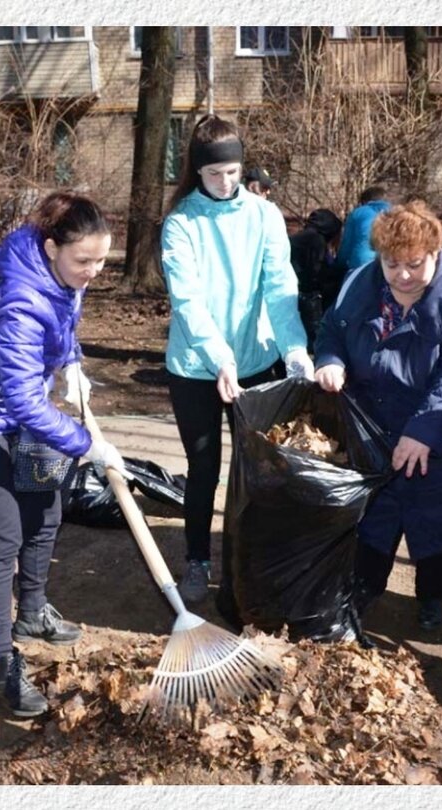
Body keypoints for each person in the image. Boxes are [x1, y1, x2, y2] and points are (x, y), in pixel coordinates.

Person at [0, 192, 129, 717]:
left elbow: (64, 324)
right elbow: (22, 399)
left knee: (45, 513)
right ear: (51, 248)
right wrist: (87, 443)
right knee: (3, 538)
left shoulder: (63, 278)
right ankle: (2, 663)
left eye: (101, 260)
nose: (92, 271)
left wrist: (71, 364)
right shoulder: (22, 297)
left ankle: (33, 611)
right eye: (83, 261)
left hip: (26, 411)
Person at [314, 201, 442, 631]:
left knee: (438, 518)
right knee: (376, 516)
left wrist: (424, 432)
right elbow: (333, 327)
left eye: (414, 264)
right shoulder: (359, 284)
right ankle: (364, 591)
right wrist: (329, 358)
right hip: (381, 421)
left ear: (436, 254)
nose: (402, 275)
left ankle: (432, 597)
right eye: (392, 264)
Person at [161, 114, 314, 605]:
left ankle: (251, 555)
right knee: (203, 466)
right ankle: (197, 560)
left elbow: (279, 286)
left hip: (257, 361)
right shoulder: (181, 222)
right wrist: (220, 359)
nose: (225, 182)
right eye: (213, 174)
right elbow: (188, 302)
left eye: (232, 171)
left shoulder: (264, 215)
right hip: (196, 368)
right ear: (196, 171)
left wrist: (293, 348)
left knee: (260, 467)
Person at [289, 208, 343, 353]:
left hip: (294, 289)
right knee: (315, 335)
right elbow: (316, 271)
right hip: (307, 292)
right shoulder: (315, 240)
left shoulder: (303, 237)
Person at [329, 185, 391, 305]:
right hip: (389, 263)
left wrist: (339, 264)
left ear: (364, 201)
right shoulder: (396, 213)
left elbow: (347, 244)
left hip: (360, 263)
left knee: (353, 301)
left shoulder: (357, 214)